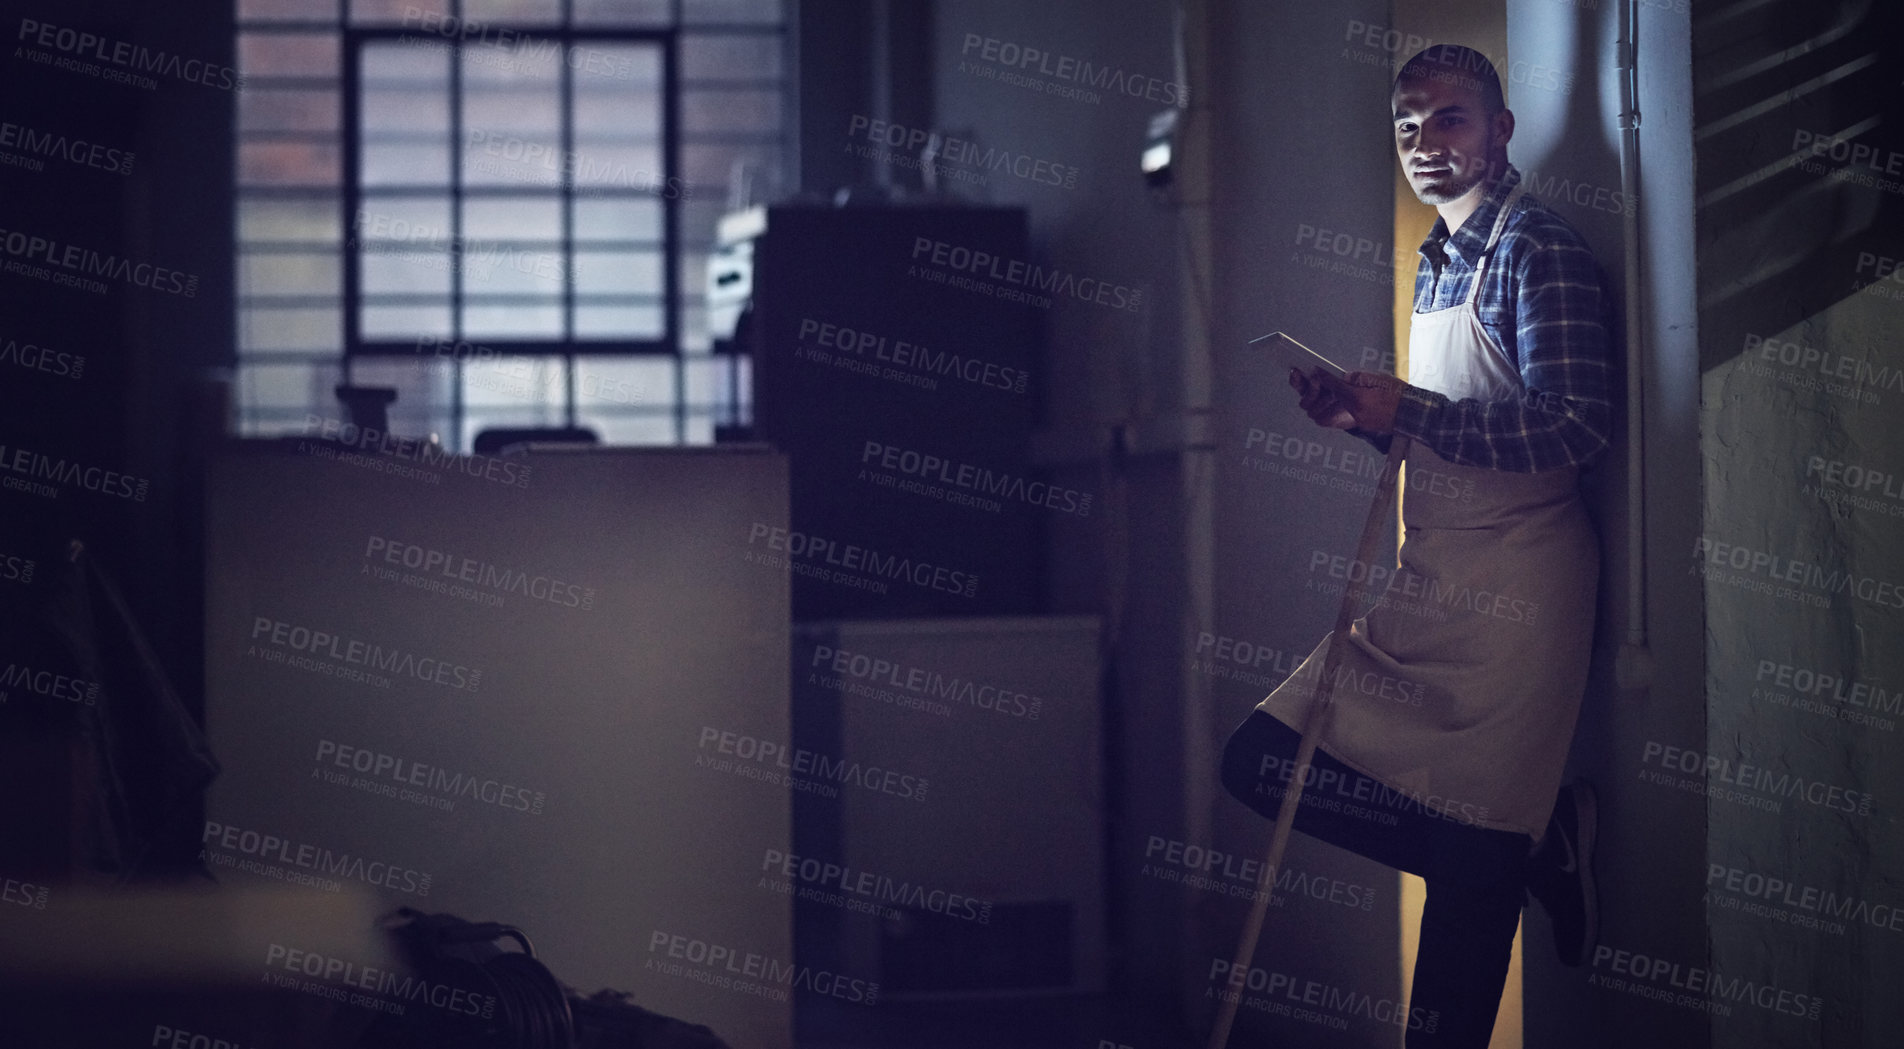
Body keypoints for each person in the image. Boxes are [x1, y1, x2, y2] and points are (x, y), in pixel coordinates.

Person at [1220, 43, 1610, 1048]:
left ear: (1499, 130)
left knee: (1462, 897)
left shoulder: (1536, 250)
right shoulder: (1437, 261)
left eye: (1447, 120)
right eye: (1406, 127)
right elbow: (1452, 424)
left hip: (1520, 585)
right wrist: (1365, 418)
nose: (1424, 144)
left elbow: (1573, 426)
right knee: (1262, 759)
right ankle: (1523, 853)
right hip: (1434, 577)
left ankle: (1503, 856)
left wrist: (1417, 409)